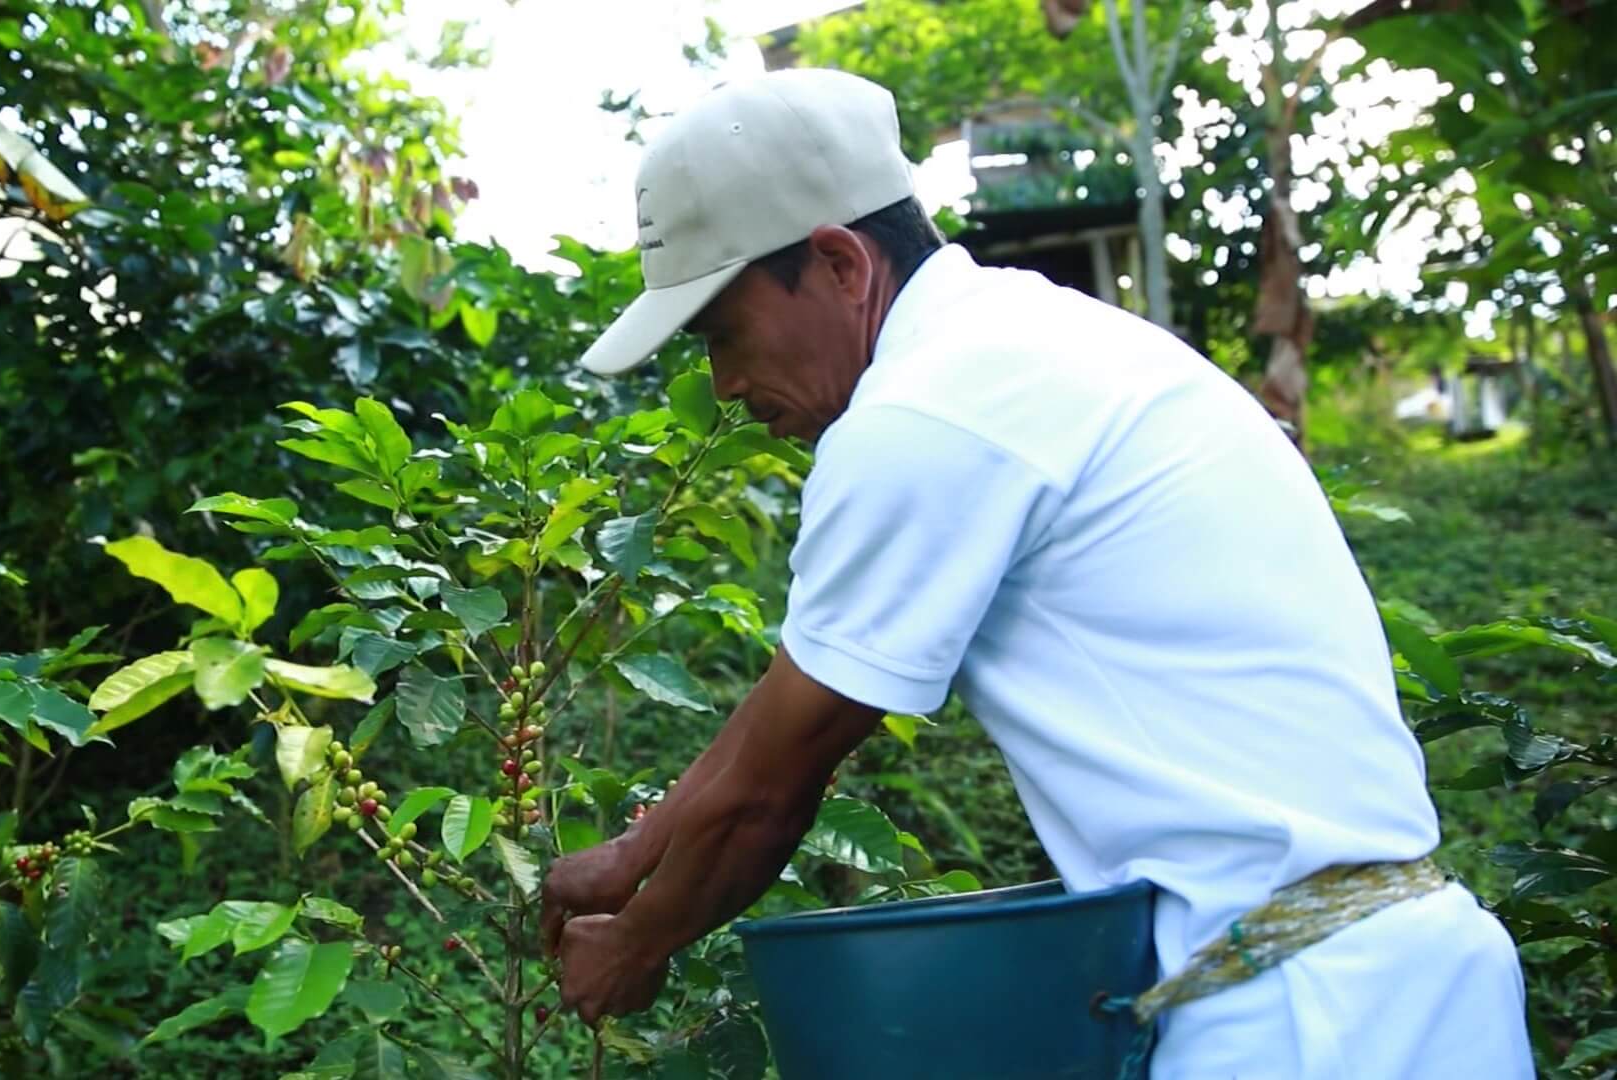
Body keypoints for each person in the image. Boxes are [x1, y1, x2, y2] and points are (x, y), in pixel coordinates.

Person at [540, 68, 1532, 1078]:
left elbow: (773, 783)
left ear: (839, 264)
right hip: (1400, 975)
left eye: (723, 334)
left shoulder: (923, 413)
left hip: (1302, 1021)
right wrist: (633, 857)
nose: (725, 385)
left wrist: (637, 940)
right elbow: (783, 711)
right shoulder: (1032, 343)